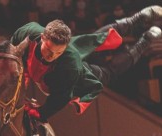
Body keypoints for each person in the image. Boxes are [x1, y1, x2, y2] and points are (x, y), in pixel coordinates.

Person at [11, 5, 162, 121]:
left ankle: (145, 40)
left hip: (74, 75)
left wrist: (40, 113)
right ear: (43, 37)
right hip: (60, 64)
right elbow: (10, 51)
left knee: (107, 72)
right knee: (94, 38)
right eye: (50, 51)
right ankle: (139, 19)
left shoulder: (71, 66)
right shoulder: (27, 31)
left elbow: (60, 98)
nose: (52, 56)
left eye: (58, 52)